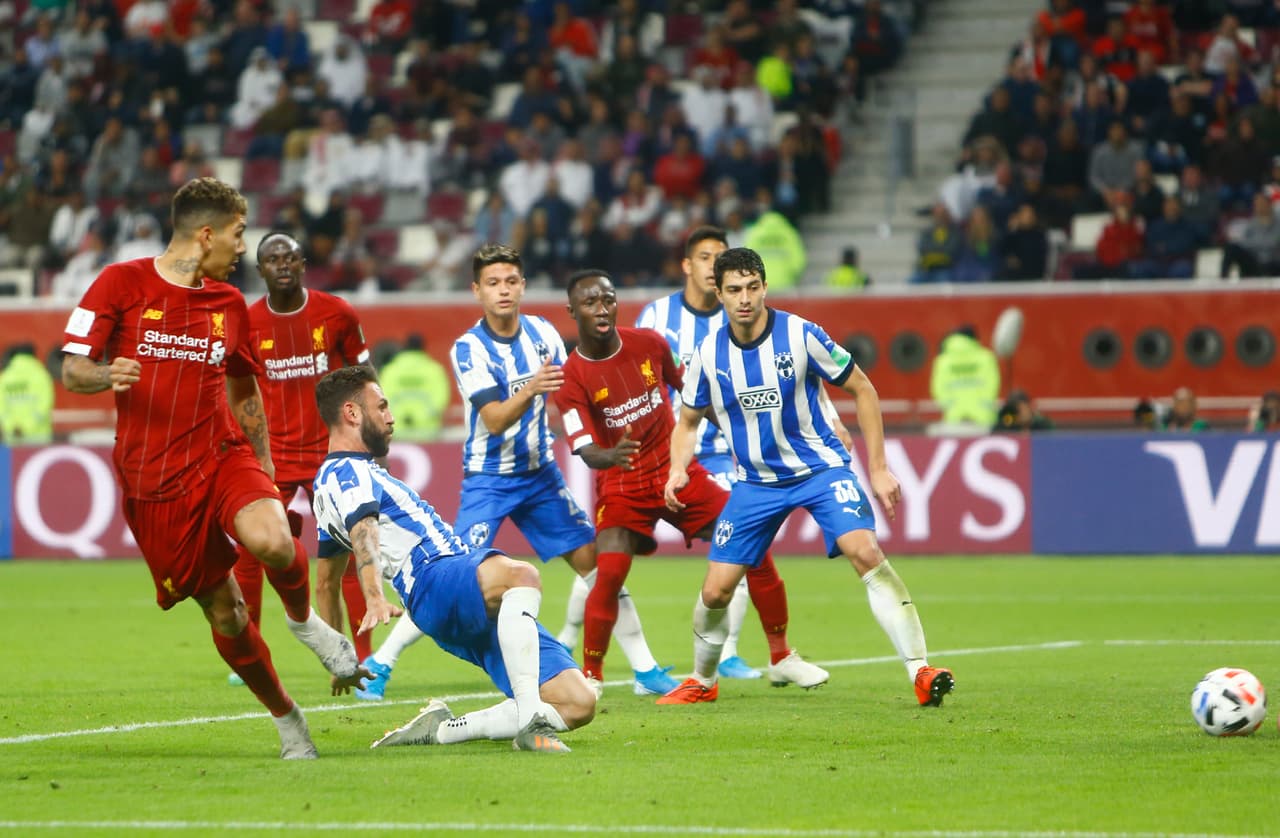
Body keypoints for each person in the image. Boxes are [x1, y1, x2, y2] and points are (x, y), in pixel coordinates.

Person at [59, 178, 364, 760]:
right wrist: (107, 375)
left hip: (221, 453)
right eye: (238, 234)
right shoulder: (121, 283)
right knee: (228, 613)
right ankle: (287, 718)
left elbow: (244, 384)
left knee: (274, 540)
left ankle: (305, 624)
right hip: (154, 480)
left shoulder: (226, 303)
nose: (242, 247)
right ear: (205, 235)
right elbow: (73, 368)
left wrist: (267, 466)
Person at [357, 245, 677, 700]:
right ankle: (380, 663)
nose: (503, 291)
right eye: (493, 283)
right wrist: (532, 387)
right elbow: (493, 418)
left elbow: (569, 395)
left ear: (523, 286)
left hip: (541, 476)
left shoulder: (544, 334)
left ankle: (645, 670)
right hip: (489, 479)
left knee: (599, 569)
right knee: (455, 579)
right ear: (477, 291)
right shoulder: (469, 348)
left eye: (510, 281)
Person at [660, 247, 954, 707]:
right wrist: (678, 466)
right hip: (755, 483)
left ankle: (920, 670)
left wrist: (878, 469)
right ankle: (702, 679)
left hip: (819, 469)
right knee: (716, 590)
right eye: (734, 290)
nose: (744, 299)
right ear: (717, 293)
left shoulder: (800, 334)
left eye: (752, 287)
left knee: (865, 550)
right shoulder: (707, 353)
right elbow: (688, 420)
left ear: (764, 287)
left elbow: (863, 387)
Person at [555, 269, 821, 693]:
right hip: (622, 484)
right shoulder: (571, 378)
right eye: (590, 303)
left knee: (751, 545)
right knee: (608, 574)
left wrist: (737, 435)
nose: (601, 309)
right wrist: (610, 455)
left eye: (607, 299)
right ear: (572, 311)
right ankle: (591, 677)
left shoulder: (650, 345)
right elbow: (585, 449)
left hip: (676, 472)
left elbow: (694, 393)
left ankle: (781, 656)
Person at [312, 365, 594, 752]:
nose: (391, 417)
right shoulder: (346, 472)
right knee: (522, 576)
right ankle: (531, 720)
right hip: (434, 579)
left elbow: (326, 582)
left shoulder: (333, 485)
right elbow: (364, 532)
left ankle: (443, 729)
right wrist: (374, 595)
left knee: (578, 703)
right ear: (352, 414)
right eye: (382, 407)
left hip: (454, 595)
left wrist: (338, 659)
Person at [227, 232, 374, 688]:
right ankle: (248, 649)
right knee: (251, 552)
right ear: (261, 269)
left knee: (350, 552)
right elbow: (237, 391)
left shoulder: (337, 313)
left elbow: (364, 377)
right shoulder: (246, 323)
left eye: (289, 256)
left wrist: (368, 436)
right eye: (272, 258)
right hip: (271, 458)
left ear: (304, 263)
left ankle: (368, 659)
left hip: (331, 454)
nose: (282, 264)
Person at [628, 226, 760, 680]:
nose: (712, 267)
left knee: (737, 542)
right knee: (610, 548)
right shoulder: (657, 316)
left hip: (722, 454)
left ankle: (729, 653)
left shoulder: (739, 314)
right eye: (705, 258)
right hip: (664, 454)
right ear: (687, 265)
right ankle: (570, 636)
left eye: (719, 259)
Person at [377, 334, 451, 441]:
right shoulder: (435, 370)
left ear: (405, 347)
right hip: (427, 433)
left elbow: (381, 398)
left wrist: (402, 417)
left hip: (397, 432)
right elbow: (441, 399)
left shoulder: (390, 370)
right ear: (422, 348)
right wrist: (419, 417)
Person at [929, 325, 1001, 430]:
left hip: (954, 417)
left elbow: (938, 388)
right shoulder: (986, 358)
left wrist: (950, 406)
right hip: (983, 418)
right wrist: (984, 403)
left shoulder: (943, 361)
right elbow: (993, 383)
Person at [0, 342, 55, 443]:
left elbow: (2, 408)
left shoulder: (5, 377)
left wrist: (12, 427)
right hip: (39, 438)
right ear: (33, 355)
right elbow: (45, 404)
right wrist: (26, 427)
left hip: (13, 437)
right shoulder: (41, 375)